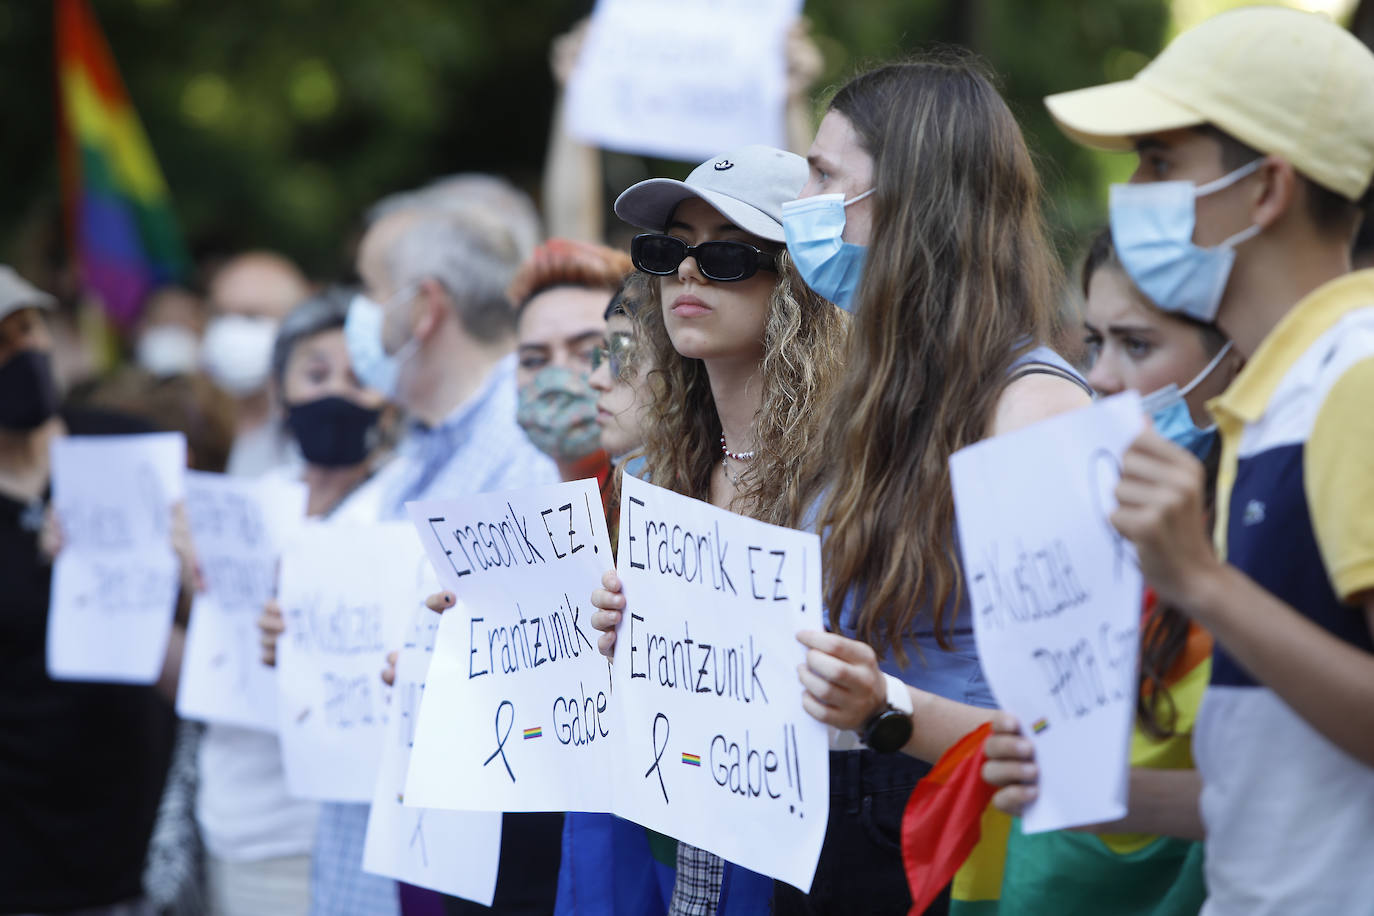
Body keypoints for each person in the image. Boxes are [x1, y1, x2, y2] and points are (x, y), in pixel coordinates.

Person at [985, 8, 1374, 914]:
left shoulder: (1351, 382)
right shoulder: (1269, 403)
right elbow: (1270, 777)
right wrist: (1078, 781)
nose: (1134, 189)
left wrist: (1198, 581)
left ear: (1267, 190)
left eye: (1161, 164)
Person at [773, 56, 1093, 914]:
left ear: (910, 200)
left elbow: (1068, 736)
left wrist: (888, 706)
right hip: (830, 819)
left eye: (823, 175)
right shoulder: (870, 385)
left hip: (945, 835)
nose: (799, 199)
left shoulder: (1033, 407)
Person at [589, 144, 849, 914]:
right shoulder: (644, 476)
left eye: (729, 255)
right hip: (667, 867)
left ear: (800, 281)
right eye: (667, 251)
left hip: (803, 874)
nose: (689, 275)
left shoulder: (852, 480)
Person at [987, 228, 1242, 916]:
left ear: (1236, 344)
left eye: (1137, 344)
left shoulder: (1266, 529)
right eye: (1095, 343)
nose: (1098, 377)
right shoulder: (1106, 520)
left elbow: (1291, 789)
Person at [318, 204, 560, 916]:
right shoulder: (415, 452)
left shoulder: (528, 460)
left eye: (369, 289)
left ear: (424, 307)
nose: (358, 317)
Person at [0, 264, 177, 914]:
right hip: (22, 863)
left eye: (30, 329)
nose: (25, 353)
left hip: (145, 837)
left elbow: (205, 629)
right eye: (1, 343)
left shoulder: (128, 447)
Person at [507, 238, 631, 482]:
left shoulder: (675, 503)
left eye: (588, 352)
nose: (558, 377)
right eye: (533, 360)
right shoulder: (513, 503)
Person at [200, 251, 312, 478]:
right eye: (220, 314)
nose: (231, 330)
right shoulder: (184, 421)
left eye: (251, 316)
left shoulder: (313, 437)